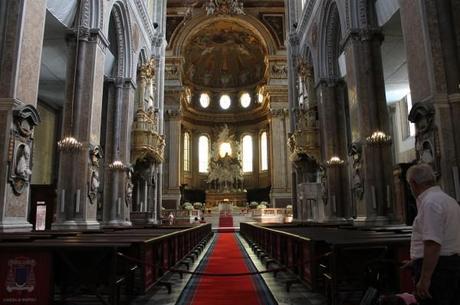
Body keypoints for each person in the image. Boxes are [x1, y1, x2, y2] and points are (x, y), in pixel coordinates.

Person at [406, 163, 460, 304]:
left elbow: (432, 243)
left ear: (413, 183)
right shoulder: (449, 200)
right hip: (450, 265)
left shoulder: (430, 203)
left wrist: (425, 279)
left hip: (438, 271)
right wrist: (416, 260)